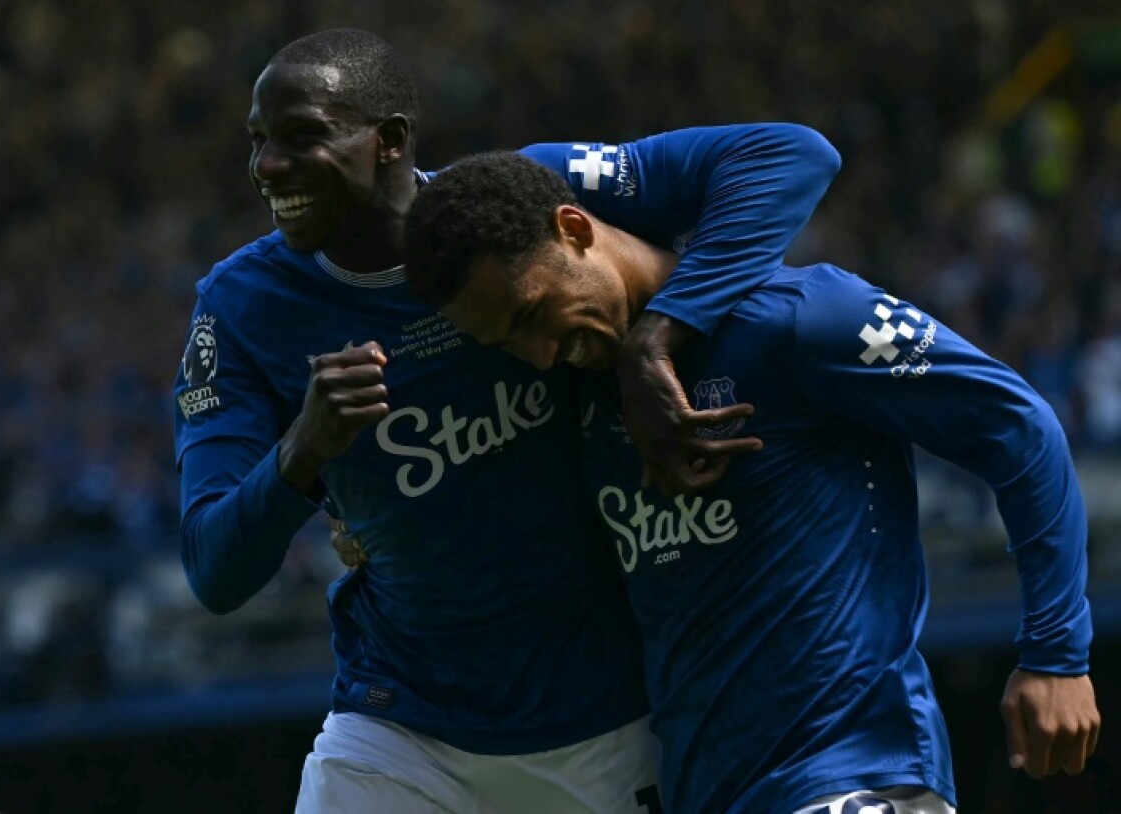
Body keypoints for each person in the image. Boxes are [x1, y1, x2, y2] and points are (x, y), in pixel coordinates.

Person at [173, 28, 840, 813]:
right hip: (400, 732)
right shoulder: (240, 309)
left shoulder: (518, 199)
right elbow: (213, 569)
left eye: (301, 138)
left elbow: (792, 156)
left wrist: (656, 341)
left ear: (387, 141)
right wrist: (302, 453)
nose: (267, 168)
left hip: (611, 725)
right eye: (258, 143)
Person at [400, 150, 1101, 814]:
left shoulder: (800, 319)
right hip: (709, 792)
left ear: (575, 228)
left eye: (532, 313)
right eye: (510, 343)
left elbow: (1019, 425)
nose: (540, 353)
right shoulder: (583, 401)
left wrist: (1056, 654)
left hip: (855, 773)